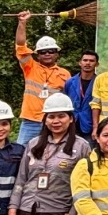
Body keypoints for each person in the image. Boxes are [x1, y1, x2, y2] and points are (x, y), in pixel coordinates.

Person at [13, 12, 71, 146]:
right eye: (43, 52)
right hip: (31, 121)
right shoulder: (30, 67)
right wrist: (22, 23)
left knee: (55, 152)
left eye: (51, 51)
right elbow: (20, 46)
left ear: (57, 54)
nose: (47, 54)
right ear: (37, 55)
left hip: (54, 121)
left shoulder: (65, 74)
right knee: (22, 152)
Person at [62, 50, 98, 136]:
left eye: (91, 61)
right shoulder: (70, 82)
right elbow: (65, 102)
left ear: (97, 64)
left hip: (90, 126)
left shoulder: (100, 82)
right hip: (71, 125)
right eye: (85, 60)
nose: (88, 63)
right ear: (80, 63)